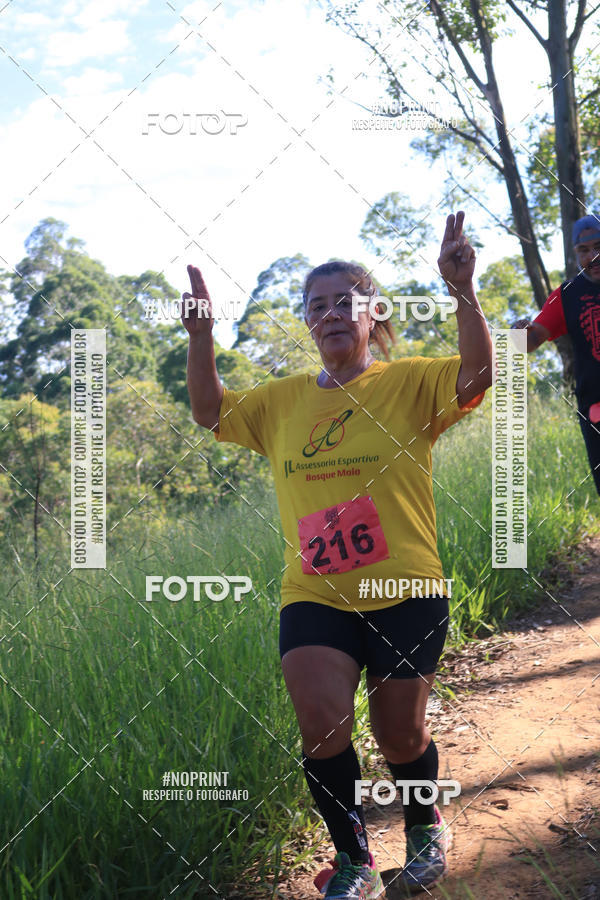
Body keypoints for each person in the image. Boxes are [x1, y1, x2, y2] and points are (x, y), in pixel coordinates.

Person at [182, 211, 492, 898]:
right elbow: (210, 412)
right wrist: (202, 338)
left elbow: (475, 375)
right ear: (307, 322)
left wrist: (463, 292)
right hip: (316, 594)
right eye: (315, 305)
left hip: (408, 591)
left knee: (400, 735)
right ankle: (354, 862)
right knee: (320, 723)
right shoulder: (282, 402)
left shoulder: (408, 383)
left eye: (345, 300)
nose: (329, 313)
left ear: (374, 313)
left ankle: (423, 825)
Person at [512, 213, 600, 495]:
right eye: (584, 250)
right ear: (575, 253)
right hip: (595, 406)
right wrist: (518, 333)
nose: (593, 256)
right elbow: (529, 340)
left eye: (599, 246)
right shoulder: (566, 295)